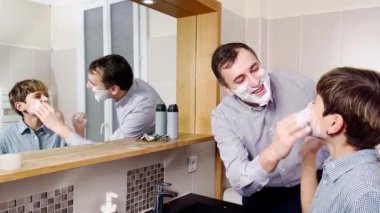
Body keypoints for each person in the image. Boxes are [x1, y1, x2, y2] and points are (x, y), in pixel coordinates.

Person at [210, 42, 328, 212]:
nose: (254, 82)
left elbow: (333, 126)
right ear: (227, 89)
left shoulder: (301, 84)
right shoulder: (223, 117)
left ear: (260, 62)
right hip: (262, 198)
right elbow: (239, 183)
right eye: (240, 79)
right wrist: (274, 152)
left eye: (254, 68)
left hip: (315, 185)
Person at [300, 67, 380, 212]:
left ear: (334, 123)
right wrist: (308, 156)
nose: (309, 106)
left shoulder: (364, 195)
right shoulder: (338, 165)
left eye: (315, 101)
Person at [84, 54, 163, 140]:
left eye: (93, 83)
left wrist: (67, 131)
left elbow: (108, 148)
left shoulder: (139, 113)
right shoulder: (129, 83)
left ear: (114, 89)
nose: (87, 85)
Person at [0, 79, 89, 154]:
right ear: (20, 106)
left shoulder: (59, 130)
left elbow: (77, 155)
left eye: (46, 96)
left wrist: (79, 129)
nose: (46, 99)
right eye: (38, 96)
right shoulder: (4, 137)